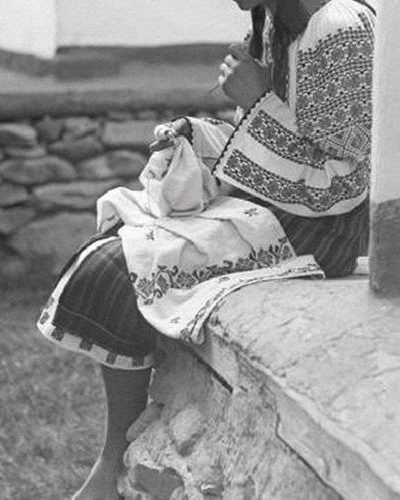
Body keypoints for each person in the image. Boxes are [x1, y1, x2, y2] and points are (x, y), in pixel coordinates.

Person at [36, 1, 375, 499]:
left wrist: (258, 99)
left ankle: (109, 470)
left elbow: (343, 181)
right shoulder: (277, 19)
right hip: (281, 210)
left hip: (323, 233)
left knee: (120, 266)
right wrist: (198, 135)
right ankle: (112, 461)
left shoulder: (340, 27)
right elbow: (268, 147)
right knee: (109, 246)